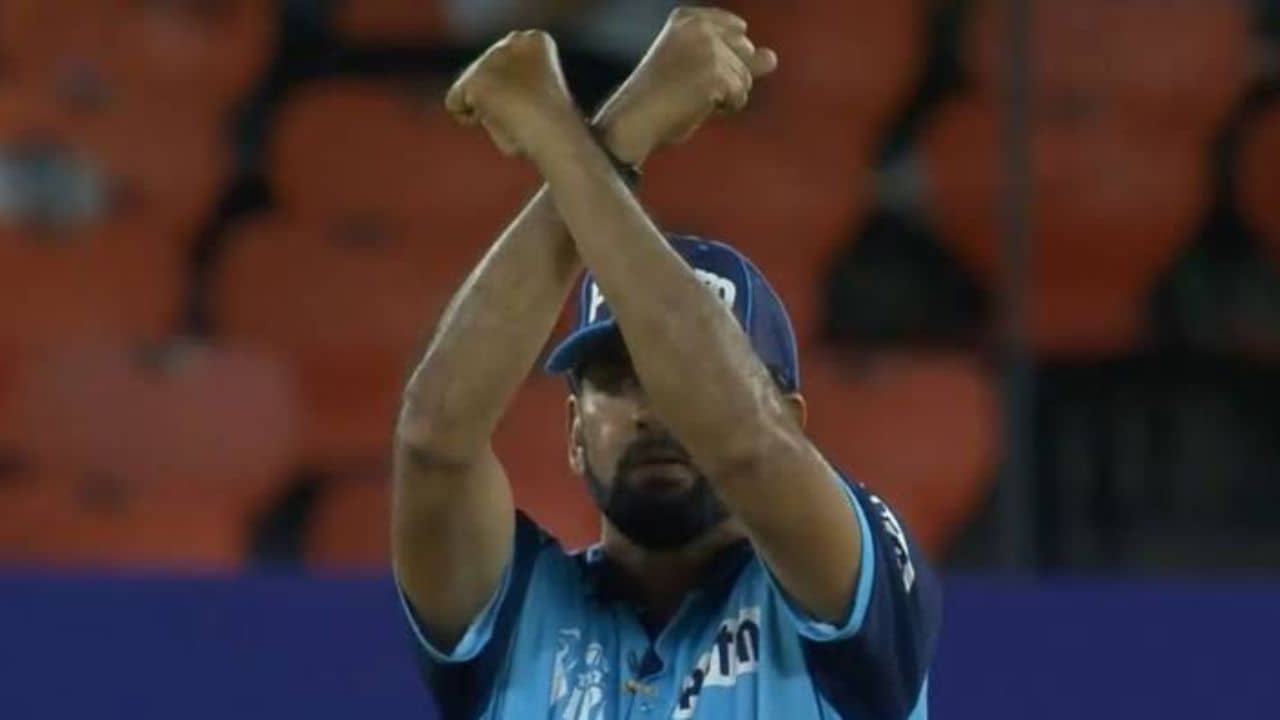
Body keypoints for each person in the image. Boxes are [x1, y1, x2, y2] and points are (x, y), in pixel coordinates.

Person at [392, 8, 940, 719]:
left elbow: (746, 446)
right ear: (573, 431)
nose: (656, 409)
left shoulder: (849, 588)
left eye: (689, 378)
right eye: (619, 379)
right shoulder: (518, 612)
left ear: (793, 425)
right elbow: (434, 441)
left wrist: (557, 128)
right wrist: (625, 125)